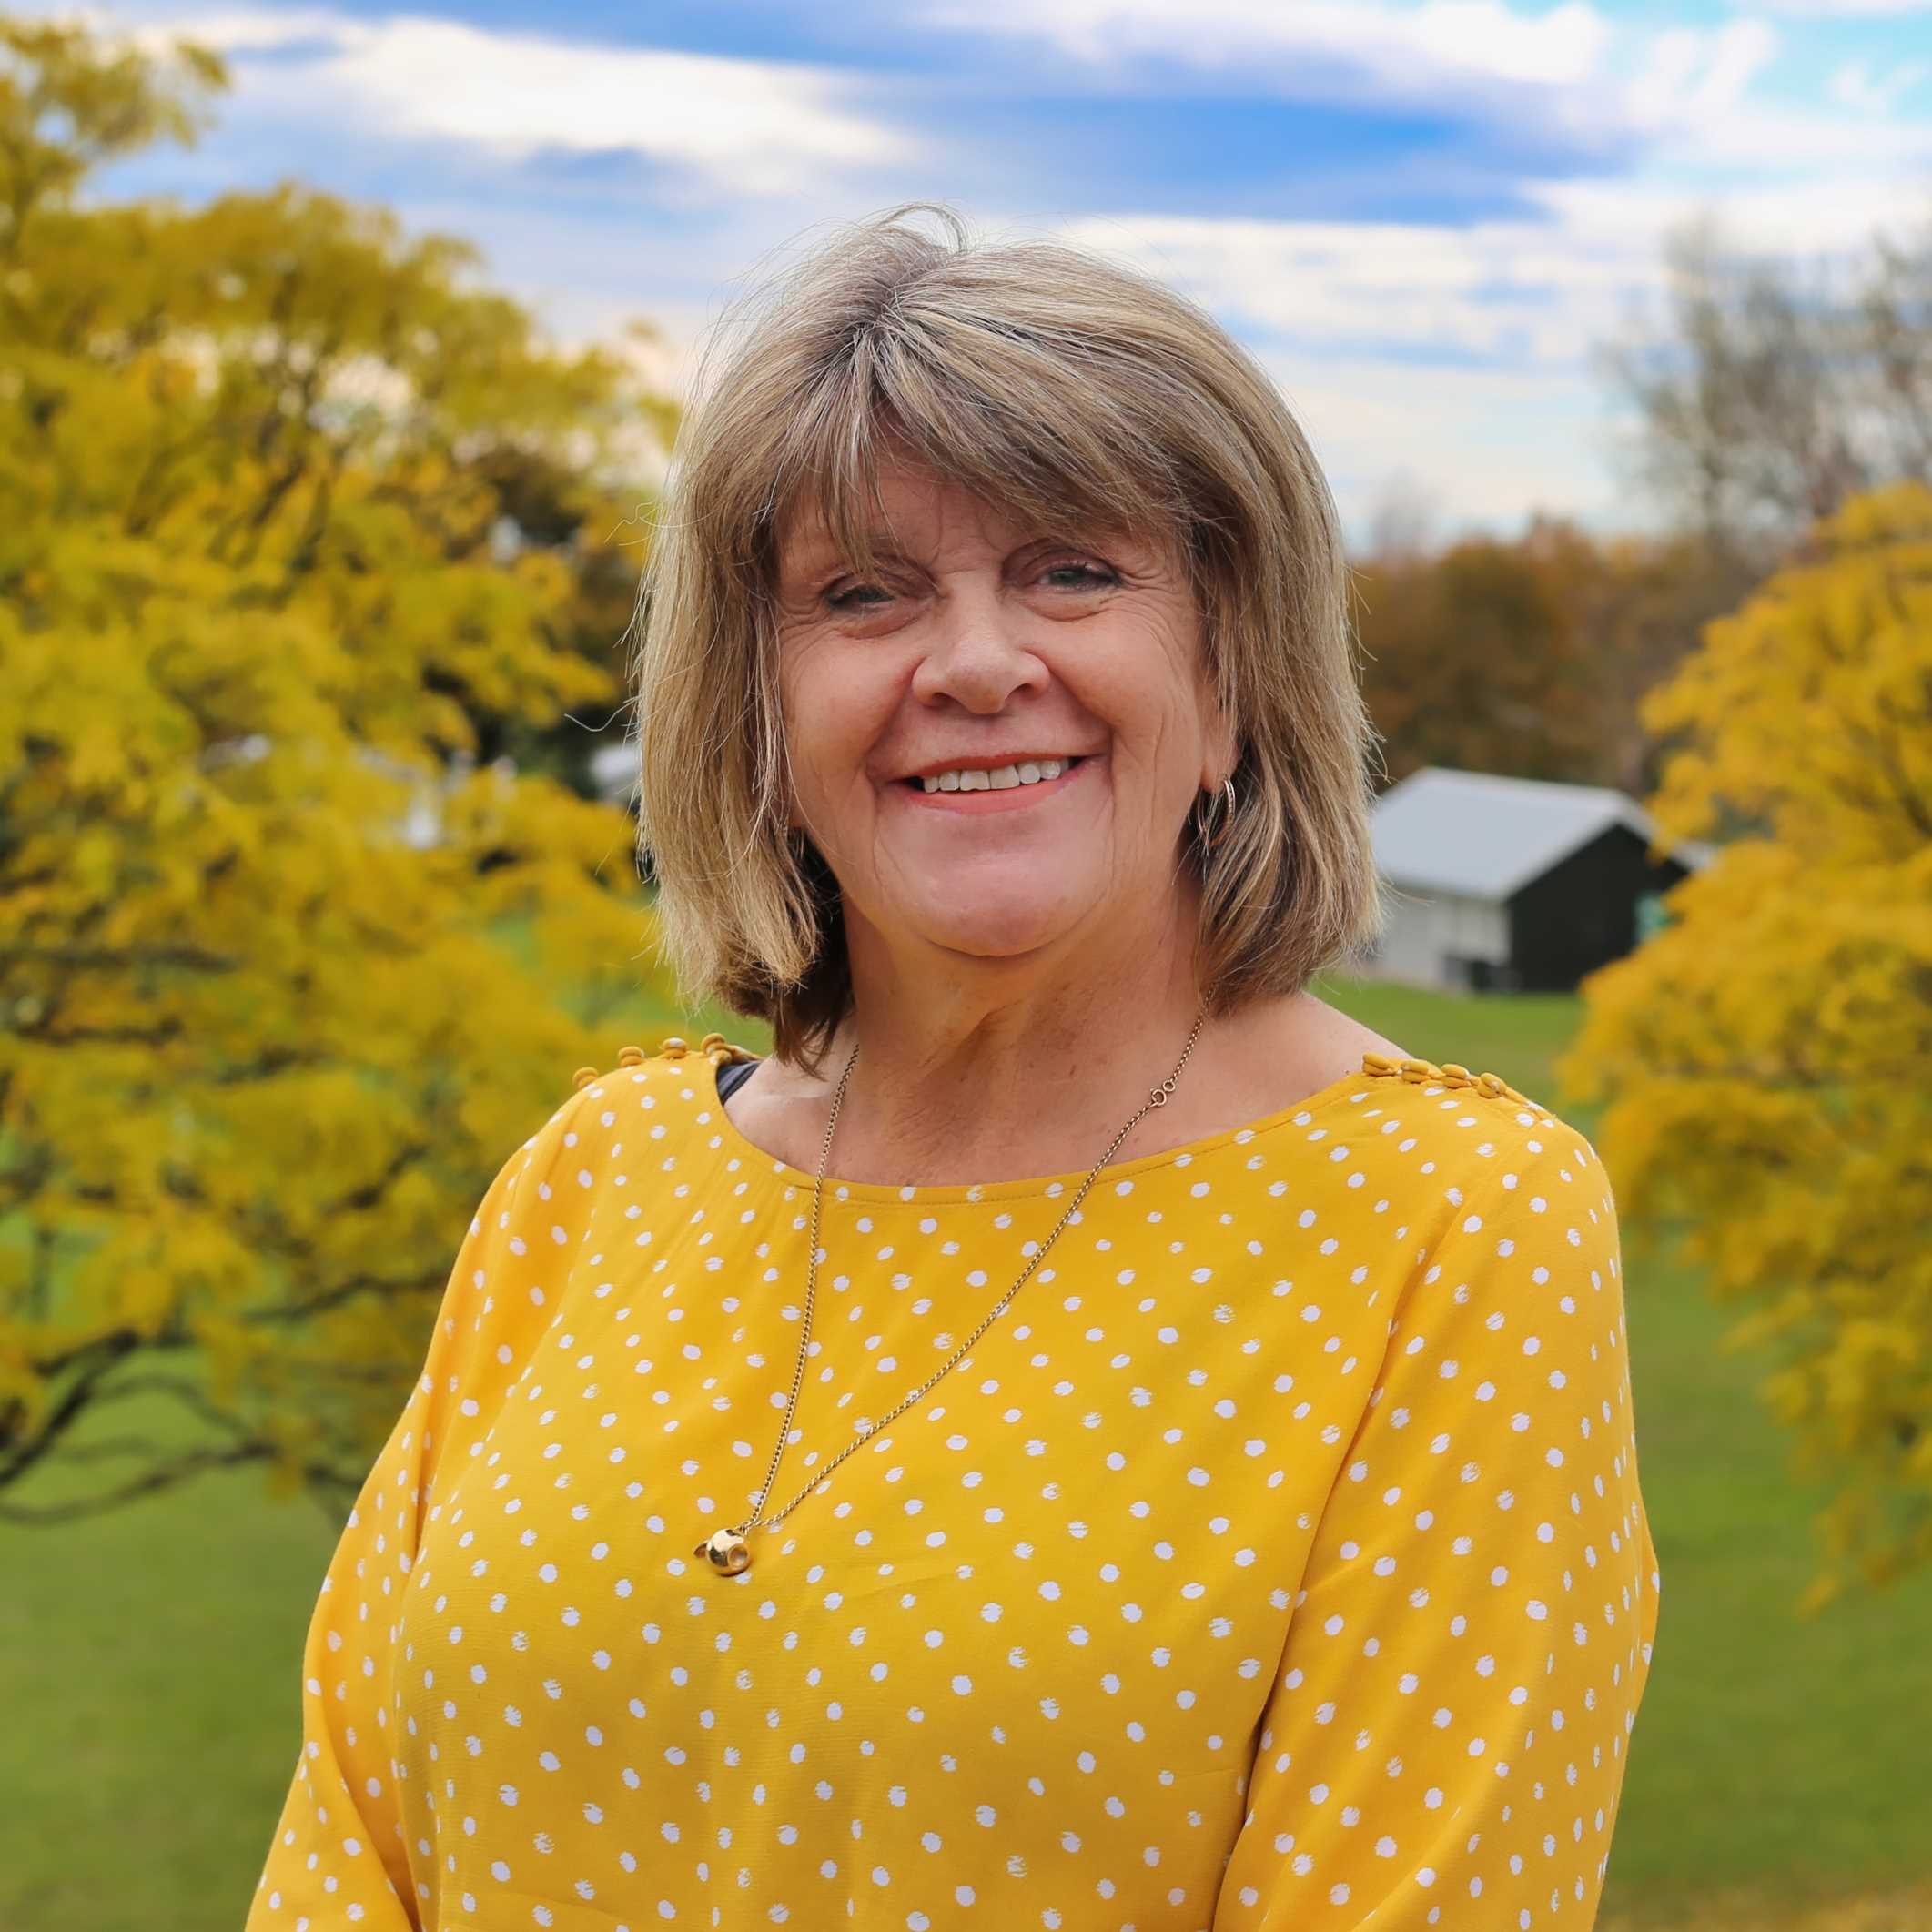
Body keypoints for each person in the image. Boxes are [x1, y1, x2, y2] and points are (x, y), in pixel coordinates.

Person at [247, 202, 1660, 1930]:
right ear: (759, 711)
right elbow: (348, 1837)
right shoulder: (596, 1179)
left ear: (1229, 677)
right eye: (864, 594)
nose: (979, 664)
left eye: (1073, 572)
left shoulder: (1452, 1228)